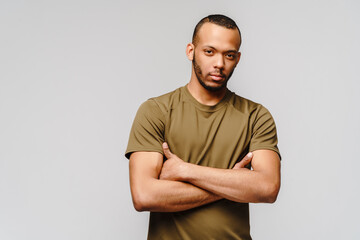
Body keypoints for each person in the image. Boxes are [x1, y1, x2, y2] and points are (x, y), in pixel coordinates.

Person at [125, 14, 281, 240]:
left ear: (237, 58)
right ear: (191, 51)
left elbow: (267, 188)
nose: (219, 63)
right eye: (209, 51)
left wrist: (185, 171)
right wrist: (232, 183)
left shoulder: (256, 116)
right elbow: (144, 196)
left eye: (228, 55)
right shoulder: (156, 111)